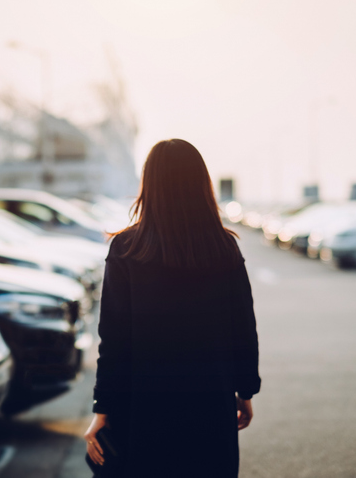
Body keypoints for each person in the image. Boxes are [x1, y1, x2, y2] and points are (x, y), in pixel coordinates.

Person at [84, 139, 261, 478]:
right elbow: (242, 326)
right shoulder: (223, 247)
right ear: (201, 185)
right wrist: (245, 389)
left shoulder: (126, 248)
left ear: (148, 185)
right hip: (210, 404)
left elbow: (114, 340)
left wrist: (102, 409)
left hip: (142, 409)